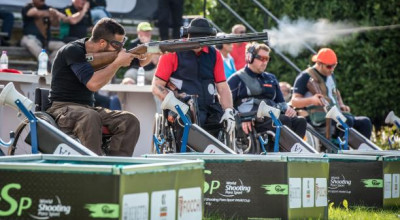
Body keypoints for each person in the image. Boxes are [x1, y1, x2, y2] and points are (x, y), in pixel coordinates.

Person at [46, 18, 148, 156]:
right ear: (102, 43)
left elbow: (139, 62)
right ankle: (96, 166)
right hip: (62, 108)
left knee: (129, 121)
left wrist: (153, 52)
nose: (121, 48)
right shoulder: (73, 50)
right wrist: (117, 63)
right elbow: (93, 84)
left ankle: (116, 166)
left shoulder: (103, 53)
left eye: (123, 43)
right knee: (90, 116)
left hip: (87, 108)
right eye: (118, 44)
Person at [152, 17, 235, 140]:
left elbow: (222, 87)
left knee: (228, 121)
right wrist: (174, 103)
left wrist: (228, 110)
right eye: (195, 37)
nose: (198, 42)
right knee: (187, 122)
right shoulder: (172, 52)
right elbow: (156, 86)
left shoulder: (215, 54)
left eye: (202, 38)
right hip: (181, 106)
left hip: (209, 107)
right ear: (188, 35)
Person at [228, 42, 307, 139]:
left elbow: (281, 103)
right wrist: (242, 118)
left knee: (300, 121)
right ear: (249, 57)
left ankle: (294, 152)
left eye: (267, 59)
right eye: (261, 58)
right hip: (253, 120)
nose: (265, 62)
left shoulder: (271, 78)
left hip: (272, 116)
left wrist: (288, 109)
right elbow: (227, 106)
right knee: (283, 120)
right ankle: (283, 152)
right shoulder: (236, 79)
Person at [291, 48, 372, 139]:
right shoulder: (304, 76)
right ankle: (342, 149)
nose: (332, 69)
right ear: (319, 63)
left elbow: (336, 92)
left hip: (335, 115)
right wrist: (312, 100)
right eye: (329, 66)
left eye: (334, 66)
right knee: (346, 120)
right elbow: (294, 101)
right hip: (318, 119)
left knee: (365, 122)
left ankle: (362, 151)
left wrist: (341, 104)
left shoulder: (330, 75)